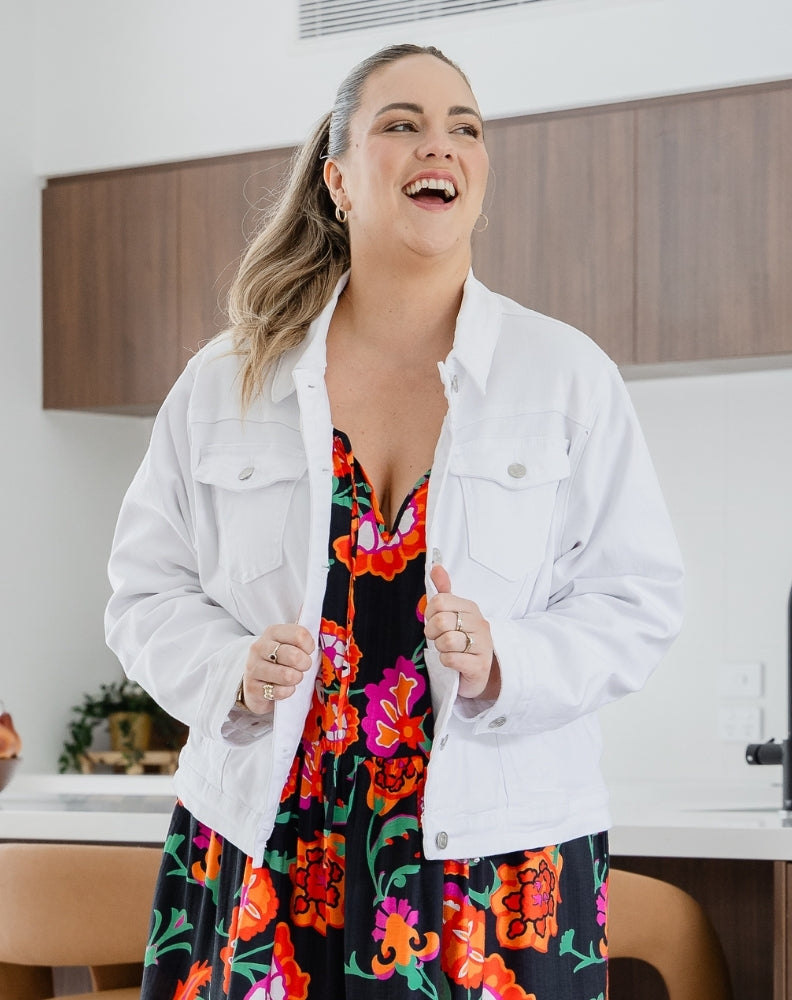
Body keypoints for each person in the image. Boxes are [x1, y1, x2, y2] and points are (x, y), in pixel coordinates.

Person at [105, 42, 683, 1000]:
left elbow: (639, 601)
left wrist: (504, 660)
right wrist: (230, 672)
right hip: (262, 845)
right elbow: (143, 591)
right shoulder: (225, 380)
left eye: (465, 128)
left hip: (497, 862)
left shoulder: (566, 375)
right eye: (402, 124)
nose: (440, 145)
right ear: (337, 179)